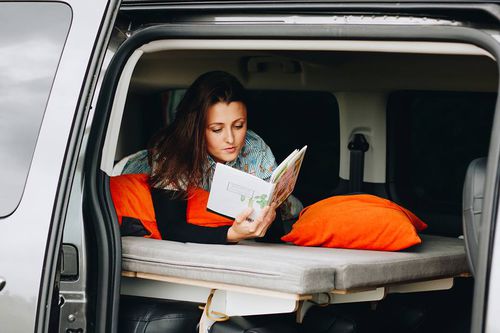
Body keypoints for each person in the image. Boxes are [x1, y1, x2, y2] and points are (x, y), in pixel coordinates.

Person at [121, 71, 302, 244]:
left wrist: (270, 216)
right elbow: (171, 227)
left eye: (239, 126)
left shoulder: (254, 148)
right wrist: (231, 234)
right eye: (216, 129)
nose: (230, 139)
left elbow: (273, 230)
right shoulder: (174, 150)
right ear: (196, 128)